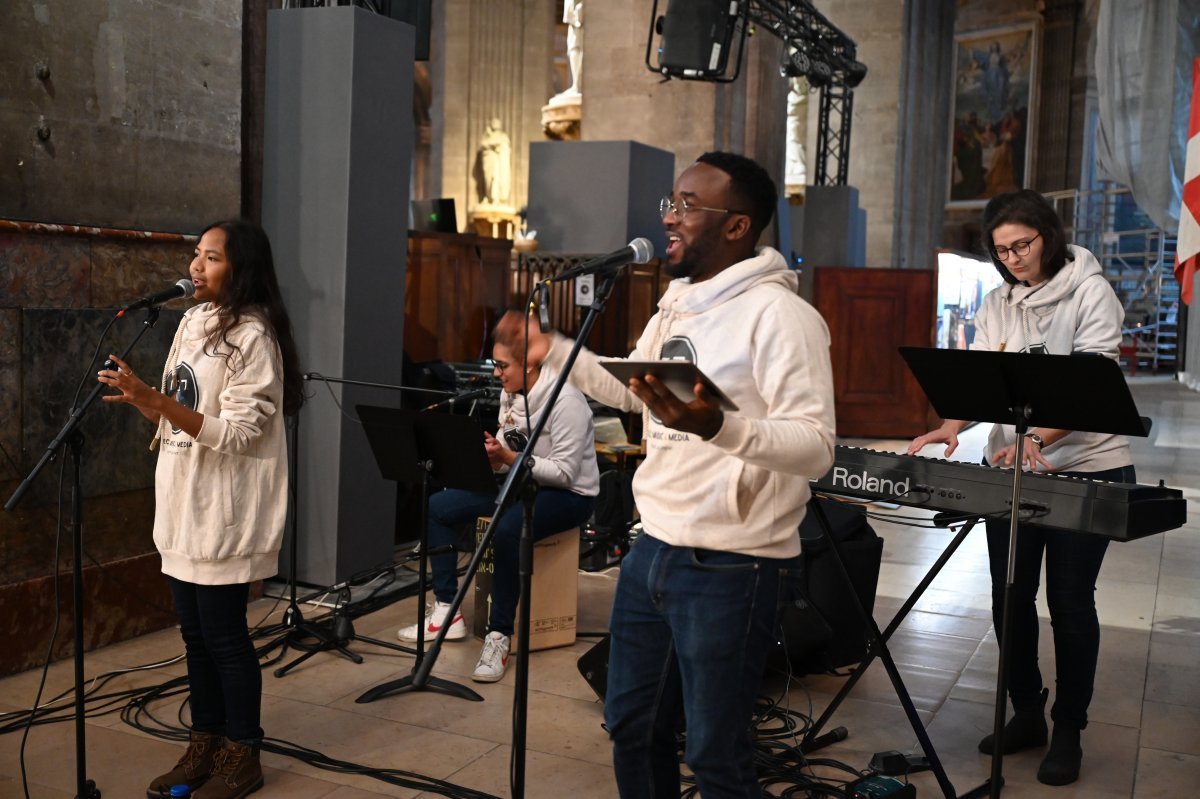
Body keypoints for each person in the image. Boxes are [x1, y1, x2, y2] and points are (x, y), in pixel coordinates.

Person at [498, 151, 836, 798]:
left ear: (737, 226)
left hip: (734, 563)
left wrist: (720, 426)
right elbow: (636, 390)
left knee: (715, 755)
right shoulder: (678, 302)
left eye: (686, 205)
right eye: (670, 204)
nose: (670, 218)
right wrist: (559, 351)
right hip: (654, 547)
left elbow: (817, 446)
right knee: (631, 724)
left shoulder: (781, 317)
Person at [907, 189, 1133, 787]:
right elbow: (981, 377)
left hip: (1087, 466)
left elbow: (1095, 384)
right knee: (1010, 596)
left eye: (1022, 245)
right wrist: (949, 427)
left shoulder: (1091, 291)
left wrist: (1042, 440)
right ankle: (1027, 712)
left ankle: (1068, 729)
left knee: (1069, 601)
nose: (1012, 258)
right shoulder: (996, 301)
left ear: (1048, 236)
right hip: (1011, 467)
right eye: (1001, 249)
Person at [98, 219, 304, 799]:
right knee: (195, 636)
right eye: (197, 254)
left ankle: (244, 755)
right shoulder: (191, 320)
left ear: (242, 269)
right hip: (184, 505)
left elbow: (237, 435)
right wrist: (145, 398)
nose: (195, 266)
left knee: (225, 638)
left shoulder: (254, 337)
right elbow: (177, 419)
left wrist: (157, 400)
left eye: (211, 258)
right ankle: (205, 745)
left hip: (225, 512)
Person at [397, 322, 599, 683]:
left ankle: (499, 634)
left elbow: (566, 474)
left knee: (507, 530)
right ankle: (447, 609)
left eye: (503, 365)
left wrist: (507, 458)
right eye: (495, 363)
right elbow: (512, 443)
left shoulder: (566, 401)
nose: (496, 372)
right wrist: (493, 455)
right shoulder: (513, 391)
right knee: (438, 507)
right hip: (520, 480)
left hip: (570, 495)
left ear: (531, 364)